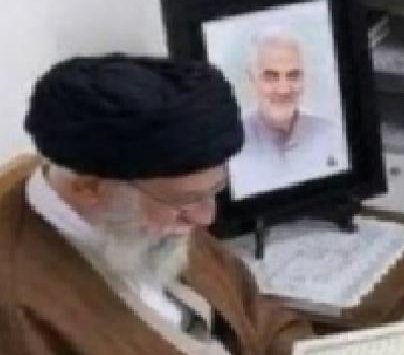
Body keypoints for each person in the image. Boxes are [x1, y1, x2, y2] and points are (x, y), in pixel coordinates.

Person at [0, 54, 312, 354]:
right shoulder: (17, 313)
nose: (206, 217)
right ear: (87, 187)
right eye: (184, 199)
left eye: (214, 191)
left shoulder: (152, 210)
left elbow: (262, 321)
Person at [230, 28, 346, 199]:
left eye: (293, 76)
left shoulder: (332, 135)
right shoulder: (230, 144)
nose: (284, 89)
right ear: (251, 80)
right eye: (271, 77)